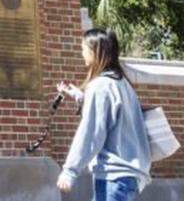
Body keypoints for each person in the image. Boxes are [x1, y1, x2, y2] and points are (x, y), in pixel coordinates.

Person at [57, 28, 152, 200]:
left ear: (95, 51)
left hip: (113, 178)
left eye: (83, 49)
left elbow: (91, 132)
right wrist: (81, 97)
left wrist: (70, 170)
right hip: (130, 177)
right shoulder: (122, 83)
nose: (82, 53)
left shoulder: (100, 86)